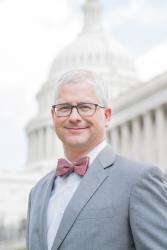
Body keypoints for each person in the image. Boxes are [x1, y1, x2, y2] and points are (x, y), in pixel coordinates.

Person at [26, 69, 167, 250]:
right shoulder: (37, 192)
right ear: (54, 117)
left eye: (85, 107)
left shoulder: (139, 180)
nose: (74, 117)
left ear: (107, 116)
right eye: (65, 108)